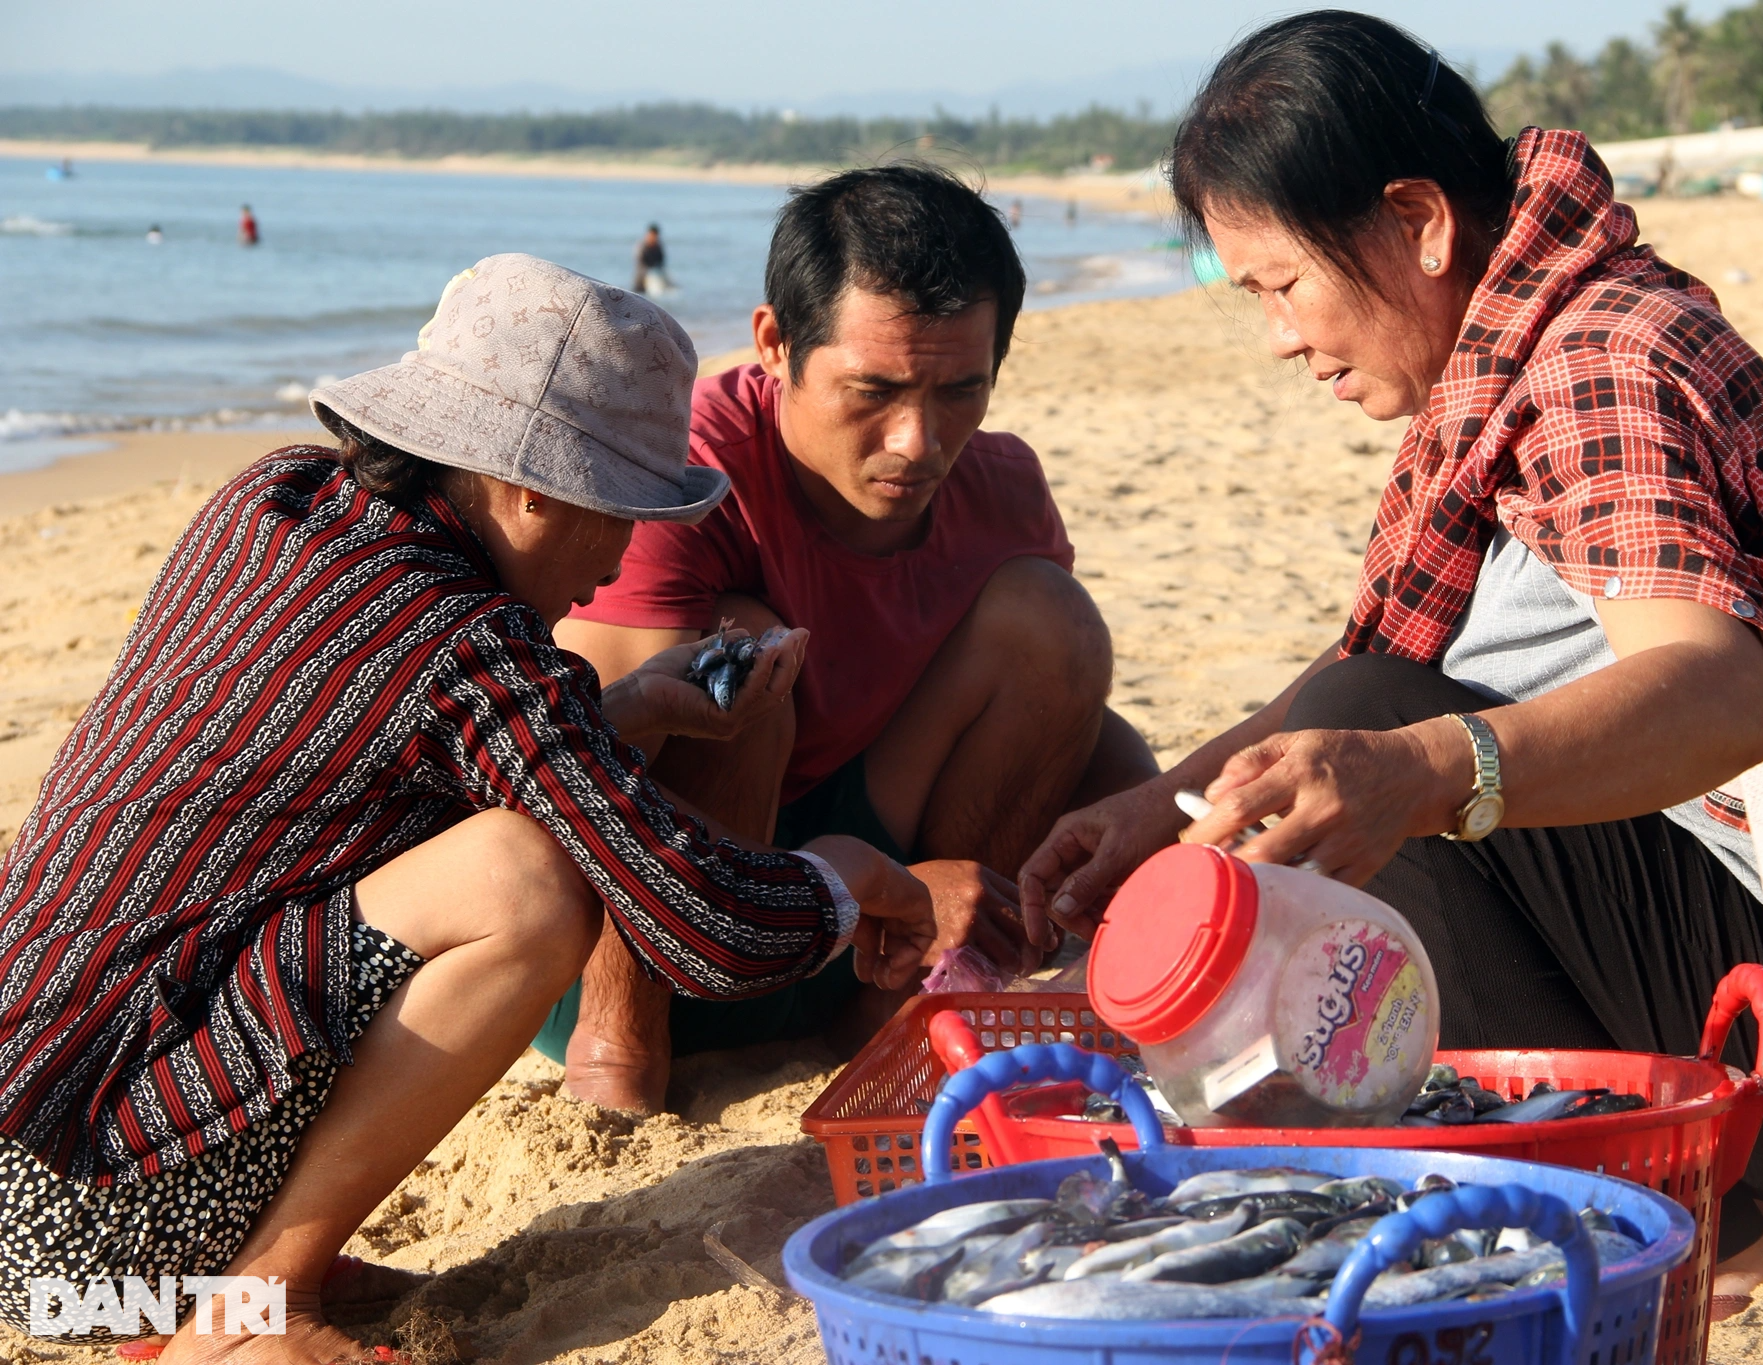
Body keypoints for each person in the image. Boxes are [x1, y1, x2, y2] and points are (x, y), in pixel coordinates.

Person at [1020, 11, 1763, 1320]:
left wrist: (1426, 770)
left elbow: (1724, 688)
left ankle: (1682, 1223)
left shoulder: (1595, 362)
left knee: (1386, 749)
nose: (1276, 335)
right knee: (1370, 730)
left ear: (1420, 225)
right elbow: (1373, 672)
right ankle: (1647, 1180)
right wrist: (1146, 811)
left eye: (1279, 284)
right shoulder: (1518, 362)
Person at [0, 254, 947, 1363]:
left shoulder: (278, 497)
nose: (617, 563)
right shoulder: (471, 647)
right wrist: (852, 876)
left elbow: (378, 748)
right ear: (529, 487)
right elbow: (707, 929)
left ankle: (236, 1257)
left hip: (34, 1119)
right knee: (523, 884)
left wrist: (630, 705)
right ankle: (248, 1302)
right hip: (83, 1221)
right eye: (618, 516)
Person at [550, 163, 1156, 1113]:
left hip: (850, 920)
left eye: (961, 388)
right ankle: (619, 1061)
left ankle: (904, 1011)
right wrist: (876, 880)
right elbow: (588, 775)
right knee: (739, 655)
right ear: (773, 345)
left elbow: (1070, 730)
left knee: (1066, 644)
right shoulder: (685, 473)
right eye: (873, 389)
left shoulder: (1002, 492)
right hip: (633, 934)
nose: (918, 440)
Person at [633, 222, 670, 295]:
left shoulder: (658, 247)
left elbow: (661, 263)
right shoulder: (641, 247)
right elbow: (640, 264)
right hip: (641, 279)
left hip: (654, 277)